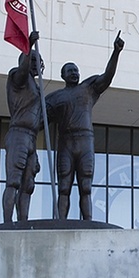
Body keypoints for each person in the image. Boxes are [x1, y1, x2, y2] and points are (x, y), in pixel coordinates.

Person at [46, 32, 125, 220]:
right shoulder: (54, 98)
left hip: (85, 141)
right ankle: (61, 222)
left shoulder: (88, 88)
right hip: (66, 142)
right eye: (70, 71)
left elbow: (107, 77)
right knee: (63, 187)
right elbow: (38, 121)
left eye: (76, 70)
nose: (74, 73)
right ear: (62, 75)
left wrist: (116, 52)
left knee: (86, 187)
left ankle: (87, 221)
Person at [2, 31, 44, 223]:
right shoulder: (17, 77)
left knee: (28, 186)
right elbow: (22, 70)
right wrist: (29, 47)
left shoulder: (36, 87)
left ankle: (23, 222)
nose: (36, 64)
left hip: (31, 138)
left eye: (38, 61)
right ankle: (8, 223)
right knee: (14, 181)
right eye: (33, 60)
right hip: (18, 134)